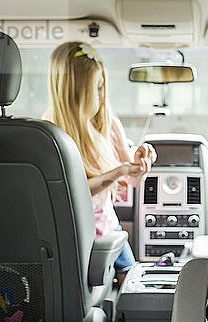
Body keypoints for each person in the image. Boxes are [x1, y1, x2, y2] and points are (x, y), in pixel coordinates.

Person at [46, 41, 156, 280]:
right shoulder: (53, 135)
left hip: (108, 227)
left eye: (103, 86)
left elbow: (132, 181)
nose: (102, 95)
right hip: (74, 234)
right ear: (74, 91)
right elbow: (72, 192)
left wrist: (139, 166)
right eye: (96, 88)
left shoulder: (108, 125)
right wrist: (117, 172)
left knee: (132, 282)